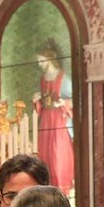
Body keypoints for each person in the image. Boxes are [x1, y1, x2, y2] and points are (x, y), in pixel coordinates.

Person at [33, 41, 74, 195]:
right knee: (45, 153)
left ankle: (61, 187)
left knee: (58, 152)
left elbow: (73, 100)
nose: (40, 64)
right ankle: (46, 186)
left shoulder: (63, 78)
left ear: (49, 60)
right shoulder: (43, 78)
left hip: (58, 119)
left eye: (42, 61)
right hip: (46, 119)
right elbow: (42, 99)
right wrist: (37, 99)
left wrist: (63, 103)